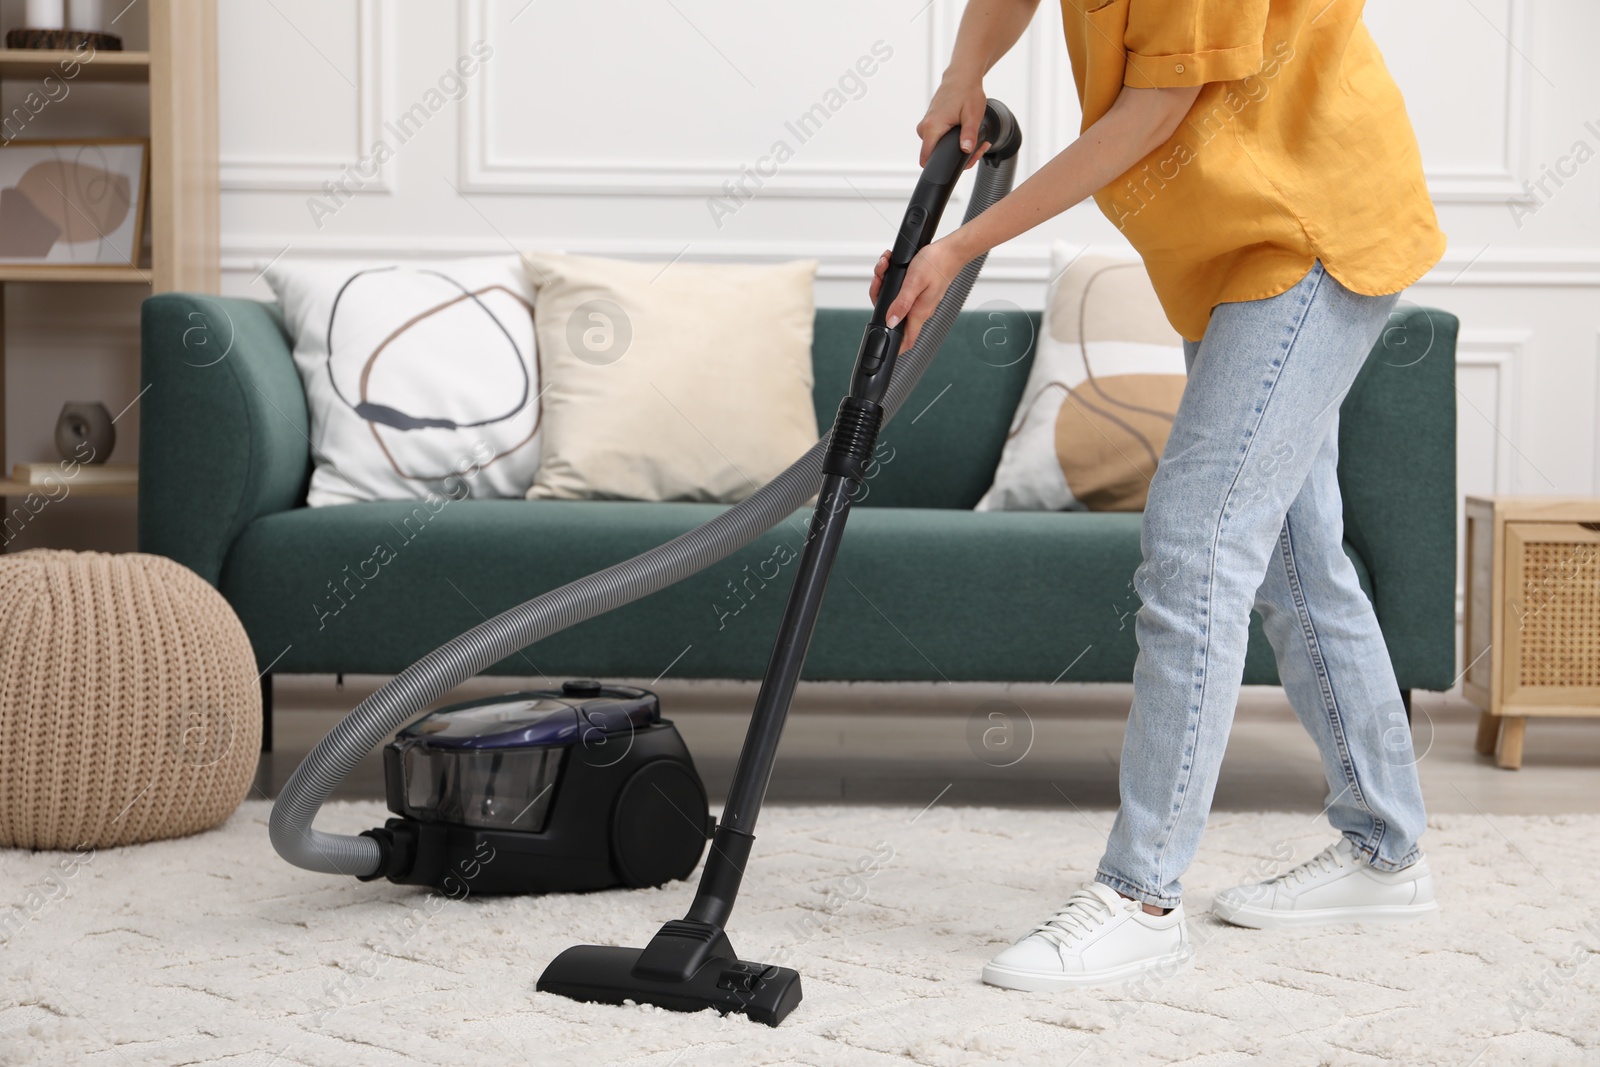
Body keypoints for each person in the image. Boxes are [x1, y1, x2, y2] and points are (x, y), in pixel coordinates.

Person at [871, 0, 1446, 990]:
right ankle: (1383, 848)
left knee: (1197, 542)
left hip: (1307, 220)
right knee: (1290, 551)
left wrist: (961, 245)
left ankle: (1140, 896)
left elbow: (1152, 108)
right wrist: (959, 73)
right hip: (1224, 241)